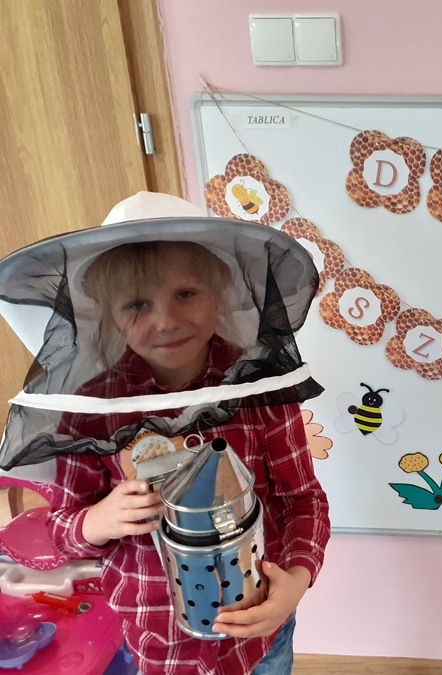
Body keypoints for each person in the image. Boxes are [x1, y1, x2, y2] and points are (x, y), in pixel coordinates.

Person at [0, 193, 330, 675]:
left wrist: (296, 580)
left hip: (260, 633)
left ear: (219, 293)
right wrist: (99, 520)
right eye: (138, 303)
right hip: (159, 641)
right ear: (109, 314)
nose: (166, 320)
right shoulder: (92, 410)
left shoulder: (258, 392)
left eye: (185, 294)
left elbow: (303, 499)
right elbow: (62, 530)